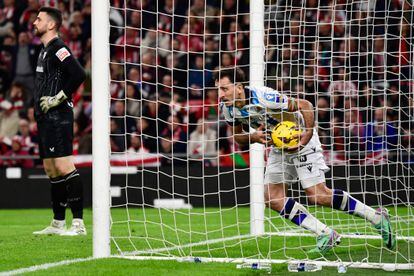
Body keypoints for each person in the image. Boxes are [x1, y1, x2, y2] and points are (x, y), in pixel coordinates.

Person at [214, 68, 395, 254]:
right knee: (272, 198)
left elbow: (305, 105)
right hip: (278, 146)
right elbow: (237, 136)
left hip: (300, 137)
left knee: (318, 195)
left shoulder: (265, 96)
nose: (220, 95)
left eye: (224, 89)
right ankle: (325, 233)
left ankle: (376, 217)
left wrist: (306, 135)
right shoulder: (227, 109)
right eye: (218, 89)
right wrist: (253, 137)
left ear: (238, 87)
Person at [31, 7, 87, 236]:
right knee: (51, 169)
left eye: (39, 19)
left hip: (58, 116)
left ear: (51, 25)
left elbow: (79, 74)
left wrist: (57, 99)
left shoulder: (59, 48)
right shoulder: (44, 50)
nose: (34, 22)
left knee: (64, 166)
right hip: (45, 117)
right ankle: (57, 223)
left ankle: (79, 224)